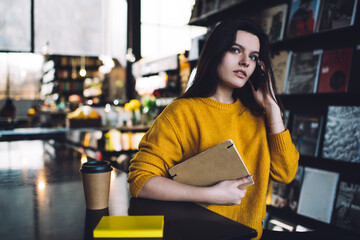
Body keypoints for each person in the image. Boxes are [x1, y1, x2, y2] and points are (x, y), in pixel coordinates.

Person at [127, 19, 299, 240]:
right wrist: (211, 194)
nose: (246, 62)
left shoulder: (260, 116)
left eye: (254, 57)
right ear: (216, 52)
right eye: (236, 50)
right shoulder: (182, 112)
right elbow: (140, 181)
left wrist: (272, 109)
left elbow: (286, 173)